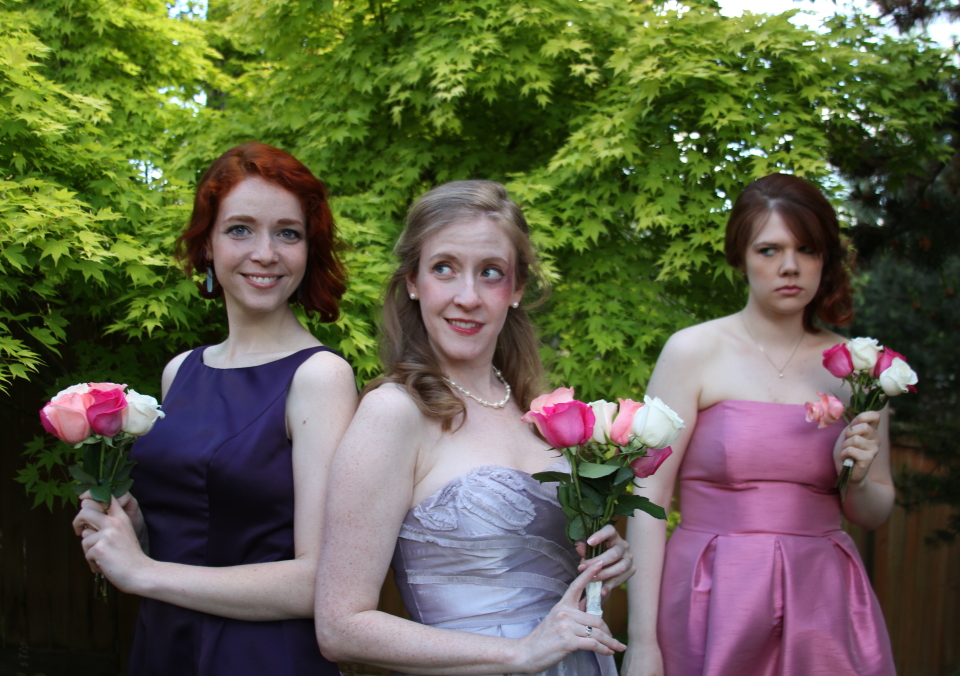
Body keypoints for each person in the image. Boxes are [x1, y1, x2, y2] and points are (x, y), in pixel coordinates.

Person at [314, 180, 633, 675]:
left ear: (517, 289)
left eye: (490, 273)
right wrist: (517, 654)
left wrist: (603, 562)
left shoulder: (541, 417)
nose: (468, 296)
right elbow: (340, 626)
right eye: (444, 268)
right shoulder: (394, 413)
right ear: (413, 282)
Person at [72, 142, 358, 676]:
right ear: (206, 246)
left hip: (262, 658)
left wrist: (144, 574)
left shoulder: (320, 377)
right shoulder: (181, 370)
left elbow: (318, 581)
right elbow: (200, 532)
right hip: (165, 646)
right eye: (240, 229)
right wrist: (133, 530)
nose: (266, 252)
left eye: (288, 233)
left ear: (307, 251)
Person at [623, 173, 897, 676]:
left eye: (807, 249)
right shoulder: (693, 351)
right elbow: (648, 499)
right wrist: (643, 645)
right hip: (710, 592)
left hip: (823, 600)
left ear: (825, 259)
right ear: (741, 256)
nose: (789, 266)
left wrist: (857, 478)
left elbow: (875, 509)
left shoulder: (859, 368)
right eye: (769, 250)